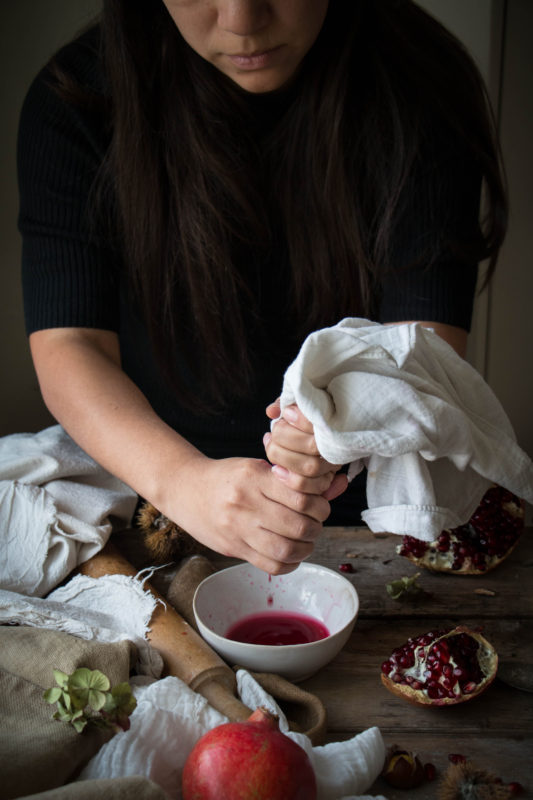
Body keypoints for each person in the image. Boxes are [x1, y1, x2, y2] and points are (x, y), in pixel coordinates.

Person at [18, 0, 506, 575]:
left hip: (370, 505)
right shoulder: (77, 97)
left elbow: (422, 349)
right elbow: (71, 344)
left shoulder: (420, 82)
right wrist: (183, 481)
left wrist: (322, 434)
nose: (242, 20)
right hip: (152, 492)